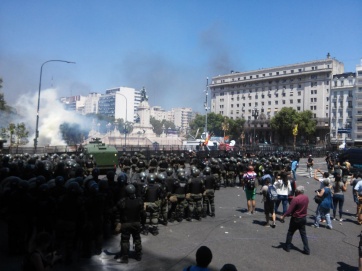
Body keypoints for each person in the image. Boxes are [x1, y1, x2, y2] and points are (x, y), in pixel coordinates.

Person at [114, 184, 146, 264]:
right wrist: (143, 223)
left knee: (125, 241)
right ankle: (138, 255)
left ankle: (125, 257)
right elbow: (143, 214)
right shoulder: (139, 201)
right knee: (137, 239)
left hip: (126, 224)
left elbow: (117, 212)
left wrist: (117, 222)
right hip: (136, 223)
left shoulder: (122, 201)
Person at [280, 186, 310, 255]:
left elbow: (289, 211)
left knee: (290, 233)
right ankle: (307, 249)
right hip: (303, 218)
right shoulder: (306, 197)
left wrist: (283, 216)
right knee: (303, 234)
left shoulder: (295, 199)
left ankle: (287, 247)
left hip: (296, 218)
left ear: (298, 192)